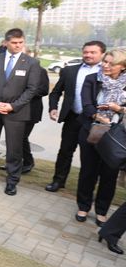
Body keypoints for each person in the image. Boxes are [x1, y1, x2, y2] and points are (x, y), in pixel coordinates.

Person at [0, 28, 41, 196]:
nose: (18, 45)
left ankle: (12, 180)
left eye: (21, 42)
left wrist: (13, 106)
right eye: (14, 42)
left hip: (16, 112)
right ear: (6, 43)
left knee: (14, 148)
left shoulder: (32, 63)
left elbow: (31, 89)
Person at [45, 41, 105, 192]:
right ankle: (58, 181)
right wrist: (53, 108)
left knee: (91, 157)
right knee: (65, 151)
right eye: (86, 52)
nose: (88, 55)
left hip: (95, 121)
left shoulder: (107, 72)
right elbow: (56, 92)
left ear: (102, 54)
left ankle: (87, 188)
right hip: (73, 118)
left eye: (93, 52)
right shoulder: (70, 71)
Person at [75, 48, 126, 226]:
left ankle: (101, 211)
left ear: (123, 66)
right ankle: (83, 206)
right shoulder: (93, 79)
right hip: (92, 130)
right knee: (88, 171)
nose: (105, 65)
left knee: (109, 174)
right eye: (105, 61)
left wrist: (118, 109)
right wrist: (98, 116)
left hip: (116, 136)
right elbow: (86, 104)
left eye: (111, 63)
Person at [20, 64, 49, 174]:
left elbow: (44, 90)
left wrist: (25, 93)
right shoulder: (17, 68)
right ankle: (13, 162)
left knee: (22, 137)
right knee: (13, 137)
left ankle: (28, 162)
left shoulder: (40, 71)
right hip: (15, 109)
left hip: (31, 110)